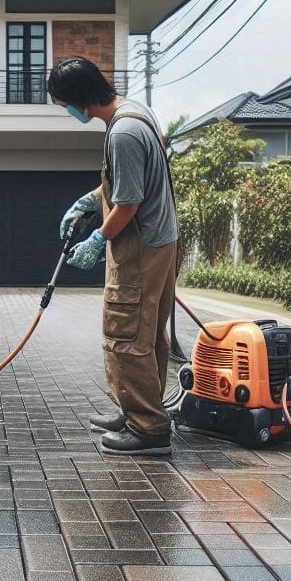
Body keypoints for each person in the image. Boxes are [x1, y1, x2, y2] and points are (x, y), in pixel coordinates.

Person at [48, 56, 178, 456]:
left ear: (80, 100)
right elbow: (127, 182)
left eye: (65, 105)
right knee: (148, 331)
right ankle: (139, 409)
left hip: (141, 246)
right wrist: (90, 201)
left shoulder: (122, 132)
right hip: (161, 241)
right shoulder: (136, 112)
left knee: (126, 334)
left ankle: (148, 429)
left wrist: (96, 239)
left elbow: (127, 203)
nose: (68, 113)